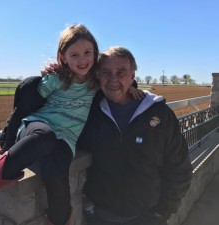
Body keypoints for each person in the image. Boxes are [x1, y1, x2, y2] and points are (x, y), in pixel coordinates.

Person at [0, 23, 100, 225]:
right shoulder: (57, 78)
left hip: (66, 139)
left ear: (95, 53)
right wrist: (7, 140)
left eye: (87, 52)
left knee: (58, 179)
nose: (82, 59)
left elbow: (119, 79)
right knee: (45, 137)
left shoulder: (97, 82)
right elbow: (24, 107)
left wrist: (133, 89)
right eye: (74, 55)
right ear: (63, 57)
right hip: (37, 126)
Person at [76, 46, 193, 225]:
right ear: (98, 76)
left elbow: (179, 167)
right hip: (99, 218)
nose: (113, 79)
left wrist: (163, 211)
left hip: (148, 218)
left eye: (121, 71)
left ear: (132, 76)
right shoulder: (91, 113)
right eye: (106, 72)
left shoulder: (160, 113)